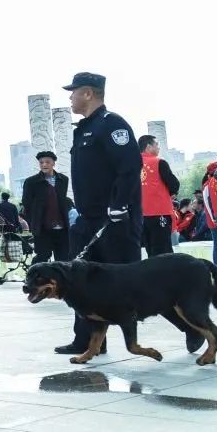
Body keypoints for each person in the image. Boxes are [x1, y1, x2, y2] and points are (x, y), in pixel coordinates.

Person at [54, 72, 155, 356]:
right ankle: (86, 341)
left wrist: (120, 205)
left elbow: (128, 167)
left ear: (88, 93)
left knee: (130, 284)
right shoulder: (85, 128)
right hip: (88, 219)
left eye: (73, 92)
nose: (70, 97)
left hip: (115, 221)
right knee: (80, 280)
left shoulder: (112, 124)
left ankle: (192, 326)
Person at [20, 151, 71, 264]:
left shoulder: (63, 180)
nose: (44, 165)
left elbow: (62, 201)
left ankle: (61, 281)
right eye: (41, 162)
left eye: (47, 162)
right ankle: (33, 279)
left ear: (53, 163)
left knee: (63, 258)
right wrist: (34, 222)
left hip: (62, 227)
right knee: (42, 257)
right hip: (42, 228)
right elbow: (26, 204)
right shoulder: (31, 182)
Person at [140, 134, 180, 257]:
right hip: (159, 212)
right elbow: (174, 185)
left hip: (140, 215)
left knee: (150, 249)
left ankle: (153, 276)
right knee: (164, 251)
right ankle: (168, 276)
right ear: (148, 147)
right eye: (156, 144)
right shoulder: (159, 162)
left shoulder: (132, 164)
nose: (158, 148)